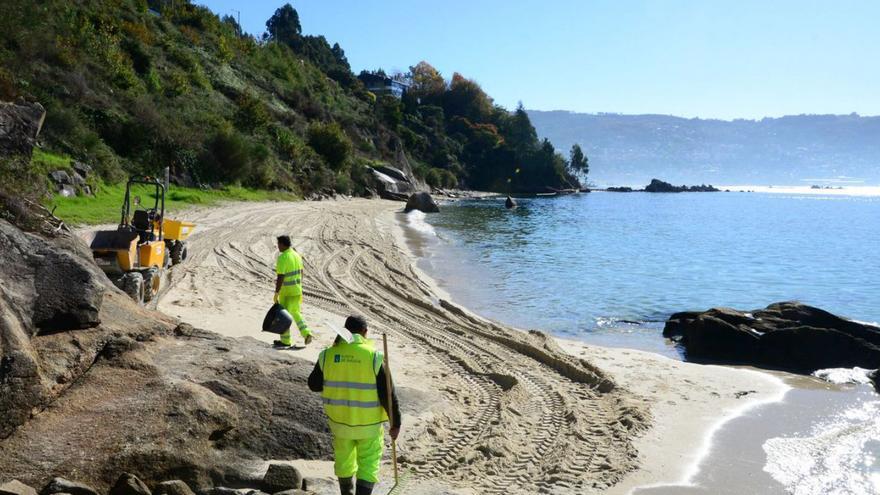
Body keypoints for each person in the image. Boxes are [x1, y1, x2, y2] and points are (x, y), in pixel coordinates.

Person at [308, 315, 402, 495]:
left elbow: (313, 385)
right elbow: (388, 395)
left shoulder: (327, 355)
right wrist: (395, 423)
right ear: (365, 333)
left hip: (339, 423)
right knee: (368, 462)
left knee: (344, 460)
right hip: (369, 425)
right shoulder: (374, 357)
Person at [273, 235, 312, 347]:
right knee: (295, 312)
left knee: (283, 316)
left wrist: (276, 292)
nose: (278, 247)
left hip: (286, 292)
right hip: (297, 290)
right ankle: (307, 333)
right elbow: (301, 272)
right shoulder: (297, 255)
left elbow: (281, 276)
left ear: (282, 244)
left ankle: (285, 341)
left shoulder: (283, 257)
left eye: (278, 244)